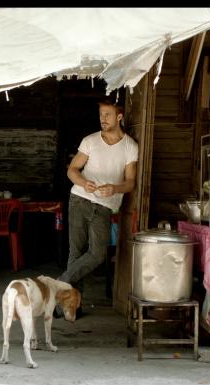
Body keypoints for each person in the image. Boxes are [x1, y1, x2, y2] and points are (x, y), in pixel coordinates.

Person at [55, 99, 138, 318]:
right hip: (79, 200)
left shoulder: (130, 146)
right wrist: (83, 182)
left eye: (108, 114)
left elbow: (130, 182)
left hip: (103, 206)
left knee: (97, 254)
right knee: (76, 252)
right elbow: (72, 170)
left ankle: (59, 284)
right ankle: (70, 306)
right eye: (101, 114)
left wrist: (116, 188)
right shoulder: (90, 141)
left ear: (119, 116)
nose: (103, 119)